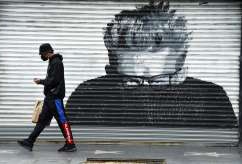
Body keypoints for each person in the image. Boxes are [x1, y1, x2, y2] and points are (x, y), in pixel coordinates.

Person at [65, 0, 237, 127]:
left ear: (182, 73)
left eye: (158, 81)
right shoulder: (88, 96)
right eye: (131, 81)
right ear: (110, 72)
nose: (144, 91)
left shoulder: (210, 98)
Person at [18, 43, 77, 152]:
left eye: (42, 54)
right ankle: (29, 141)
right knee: (42, 121)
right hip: (50, 98)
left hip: (55, 98)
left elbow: (54, 80)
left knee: (62, 121)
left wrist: (40, 81)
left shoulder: (57, 62)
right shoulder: (52, 62)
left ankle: (70, 144)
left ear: (47, 52)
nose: (41, 56)